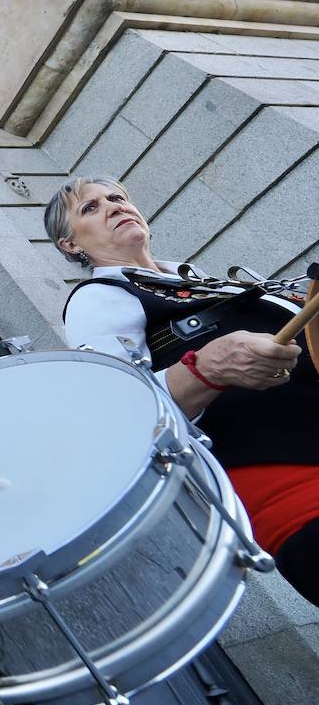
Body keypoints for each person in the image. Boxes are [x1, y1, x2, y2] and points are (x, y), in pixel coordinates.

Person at [48, 175, 319, 606]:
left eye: (117, 197)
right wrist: (206, 368)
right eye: (91, 208)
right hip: (294, 481)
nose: (114, 206)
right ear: (70, 245)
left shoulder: (198, 279)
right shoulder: (97, 299)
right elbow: (121, 413)